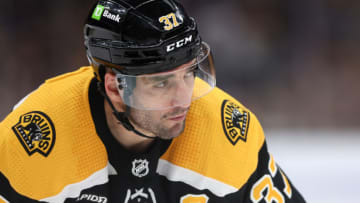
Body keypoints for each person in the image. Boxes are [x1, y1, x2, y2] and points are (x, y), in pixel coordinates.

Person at [0, 0, 306, 202]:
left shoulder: (225, 133)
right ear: (114, 88)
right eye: (161, 83)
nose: (184, 98)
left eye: (189, 74)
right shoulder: (36, 144)